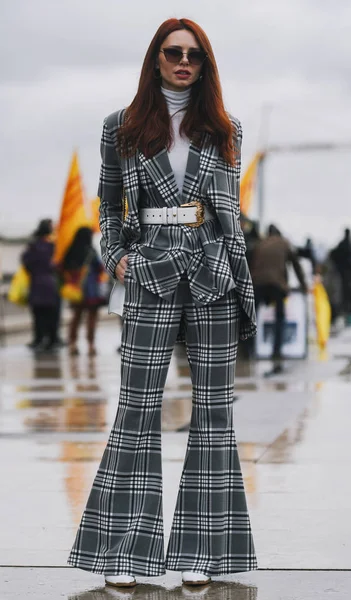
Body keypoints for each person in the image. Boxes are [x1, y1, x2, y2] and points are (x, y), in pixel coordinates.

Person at [67, 18, 257, 589]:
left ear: (205, 65)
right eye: (173, 53)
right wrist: (116, 259)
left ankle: (202, 552)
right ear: (156, 59)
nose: (183, 62)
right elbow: (108, 206)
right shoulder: (120, 128)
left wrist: (234, 272)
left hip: (211, 272)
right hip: (148, 272)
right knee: (136, 411)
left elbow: (229, 215)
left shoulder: (225, 128)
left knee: (215, 417)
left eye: (193, 56)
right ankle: (124, 554)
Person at [251, 224, 307, 373]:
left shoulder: (260, 244)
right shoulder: (284, 243)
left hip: (258, 283)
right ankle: (276, 351)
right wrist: (303, 285)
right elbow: (296, 265)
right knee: (279, 318)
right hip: (277, 284)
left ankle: (249, 351)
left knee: (251, 319)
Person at [61, 227, 107, 356]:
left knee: (76, 317)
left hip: (77, 289)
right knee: (91, 318)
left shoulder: (70, 251)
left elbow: (63, 268)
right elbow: (99, 268)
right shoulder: (91, 251)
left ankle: (72, 343)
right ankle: (91, 345)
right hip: (91, 290)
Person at [22, 218, 59, 352]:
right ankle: (51, 340)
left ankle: (38, 339)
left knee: (38, 314)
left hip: (36, 283)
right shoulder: (52, 246)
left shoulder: (33, 246)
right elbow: (57, 264)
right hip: (50, 284)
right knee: (51, 314)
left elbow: (25, 261)